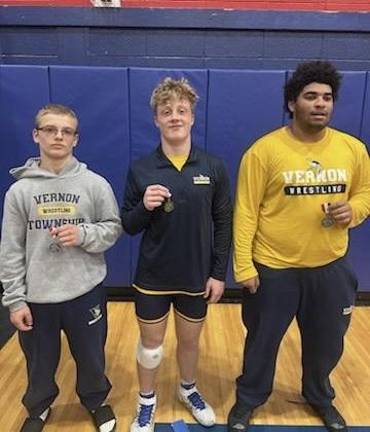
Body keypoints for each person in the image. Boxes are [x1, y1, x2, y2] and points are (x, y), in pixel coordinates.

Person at [228, 61, 370, 432]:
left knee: (327, 345)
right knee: (262, 344)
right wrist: (244, 266)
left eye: (326, 97)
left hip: (330, 267)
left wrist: (352, 210)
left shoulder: (353, 149)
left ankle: (319, 397)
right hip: (274, 268)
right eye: (311, 97)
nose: (320, 104)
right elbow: (245, 212)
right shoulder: (263, 151)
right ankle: (248, 401)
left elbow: (366, 194)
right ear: (292, 103)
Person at [0, 104, 122, 432]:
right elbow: (10, 249)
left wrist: (84, 234)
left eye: (66, 131)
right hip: (38, 296)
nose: (58, 136)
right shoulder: (20, 191)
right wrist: (15, 299)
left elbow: (113, 227)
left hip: (84, 291)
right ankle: (38, 408)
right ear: (35, 135)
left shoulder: (94, 183)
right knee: (39, 362)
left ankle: (96, 400)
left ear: (75, 139)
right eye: (50, 129)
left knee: (91, 356)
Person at [121, 77, 232, 432]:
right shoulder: (141, 169)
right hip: (153, 276)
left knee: (189, 342)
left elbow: (223, 221)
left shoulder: (212, 166)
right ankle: (146, 401)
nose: (174, 117)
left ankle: (188, 389)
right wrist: (145, 207)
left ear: (192, 117)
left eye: (181, 110)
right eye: (166, 111)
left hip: (196, 276)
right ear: (155, 119)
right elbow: (128, 225)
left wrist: (218, 273)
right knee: (151, 348)